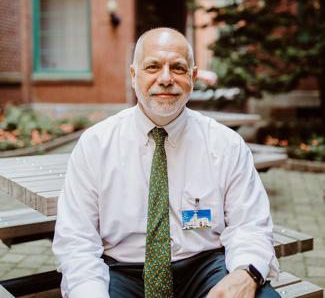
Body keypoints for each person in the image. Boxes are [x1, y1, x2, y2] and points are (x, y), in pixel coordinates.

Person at [53, 27, 280, 298]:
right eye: (152, 67)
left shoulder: (226, 144)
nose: (165, 78)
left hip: (206, 266)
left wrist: (247, 273)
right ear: (133, 74)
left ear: (193, 76)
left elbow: (250, 223)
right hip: (123, 272)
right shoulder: (96, 144)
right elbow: (77, 239)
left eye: (178, 68)